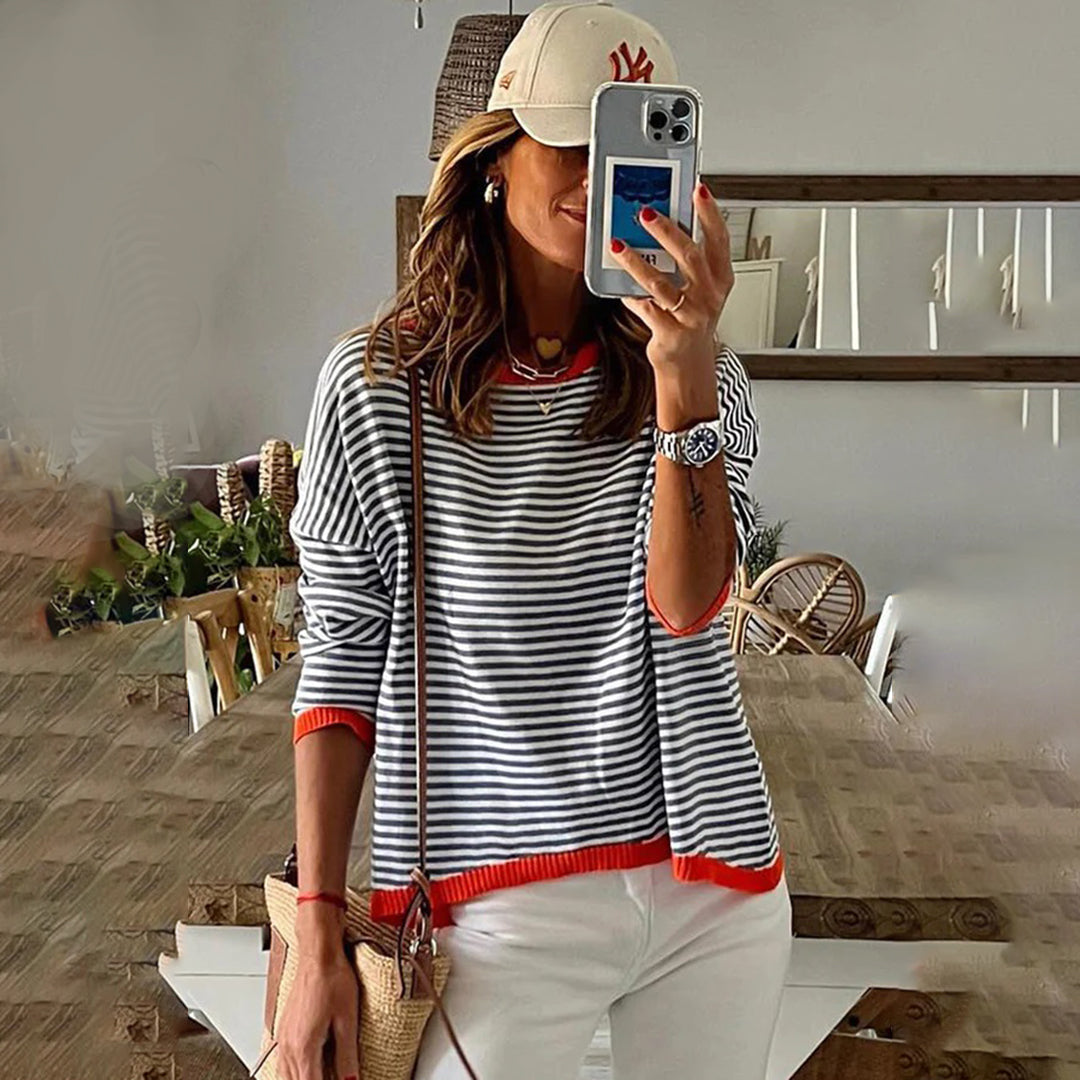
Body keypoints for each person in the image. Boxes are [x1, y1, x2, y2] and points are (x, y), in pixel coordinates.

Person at [275, 3, 792, 1079]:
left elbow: (689, 607)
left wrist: (684, 382)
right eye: (573, 139)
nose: (603, 176)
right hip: (495, 905)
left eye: (636, 146)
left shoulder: (704, 378)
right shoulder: (378, 387)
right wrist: (317, 929)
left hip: (715, 892)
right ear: (491, 160)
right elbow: (341, 657)